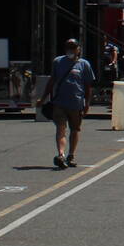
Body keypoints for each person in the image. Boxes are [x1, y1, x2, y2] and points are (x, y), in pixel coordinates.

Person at [38, 38, 95, 169]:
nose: (71, 50)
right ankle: (61, 155)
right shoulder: (58, 62)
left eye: (73, 47)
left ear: (78, 49)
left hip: (76, 103)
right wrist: (43, 98)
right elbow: (52, 81)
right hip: (60, 102)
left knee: (75, 129)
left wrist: (87, 104)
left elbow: (88, 86)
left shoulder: (84, 64)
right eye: (69, 47)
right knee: (61, 129)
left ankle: (71, 155)